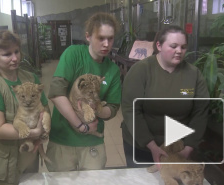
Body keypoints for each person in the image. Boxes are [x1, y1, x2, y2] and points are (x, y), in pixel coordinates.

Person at [121, 25, 209, 168]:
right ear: (159, 45)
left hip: (177, 149)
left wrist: (188, 148)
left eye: (183, 47)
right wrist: (151, 146)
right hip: (140, 145)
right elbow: (130, 110)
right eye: (173, 46)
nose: (179, 51)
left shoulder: (194, 74)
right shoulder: (141, 71)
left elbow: (201, 113)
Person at [45, 12, 122, 172]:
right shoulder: (73, 54)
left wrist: (97, 108)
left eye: (110, 38)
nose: (106, 44)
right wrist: (81, 125)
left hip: (92, 141)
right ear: (88, 36)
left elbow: (113, 109)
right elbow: (56, 93)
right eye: (101, 38)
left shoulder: (113, 70)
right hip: (63, 138)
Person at [0, 29, 49, 185]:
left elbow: (44, 109)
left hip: (29, 157)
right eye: (7, 54)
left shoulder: (30, 78)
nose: (15, 58)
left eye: (17, 51)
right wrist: (35, 132)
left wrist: (41, 133)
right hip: (3, 166)